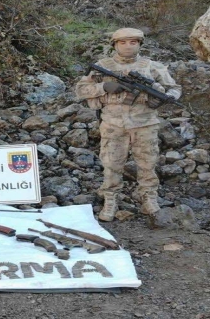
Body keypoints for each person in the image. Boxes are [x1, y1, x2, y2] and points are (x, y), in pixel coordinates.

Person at [74, 28, 182, 224]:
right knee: (111, 163)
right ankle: (110, 198)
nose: (128, 46)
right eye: (122, 42)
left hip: (145, 123)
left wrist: (166, 97)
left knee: (148, 163)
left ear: (140, 44)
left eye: (133, 42)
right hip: (113, 123)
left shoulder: (151, 66)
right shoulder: (102, 66)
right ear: (114, 44)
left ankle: (148, 196)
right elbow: (80, 90)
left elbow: (174, 88)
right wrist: (104, 87)